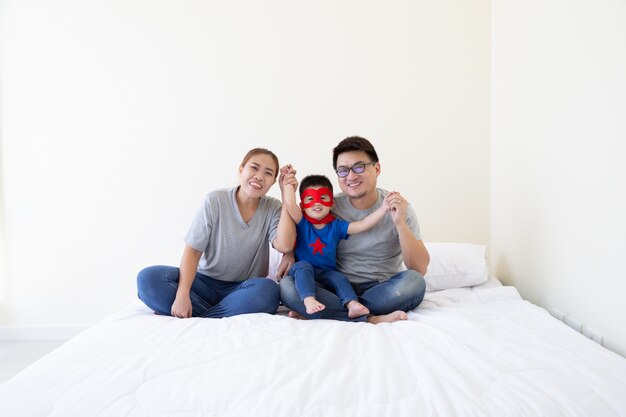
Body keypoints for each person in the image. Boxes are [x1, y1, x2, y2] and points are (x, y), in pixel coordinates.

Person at [279, 136, 429, 323]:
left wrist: (400, 223)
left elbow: (419, 268)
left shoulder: (397, 207)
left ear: (377, 168)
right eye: (343, 171)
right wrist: (290, 254)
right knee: (287, 286)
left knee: (414, 282)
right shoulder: (330, 206)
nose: (351, 176)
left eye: (359, 167)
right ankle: (369, 317)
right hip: (333, 287)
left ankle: (335, 312)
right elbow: (302, 226)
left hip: (380, 288)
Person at [137, 148, 296, 318]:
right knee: (148, 278)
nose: (259, 176)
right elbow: (193, 251)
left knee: (268, 290)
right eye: (254, 168)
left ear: (273, 182)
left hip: (243, 288)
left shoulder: (273, 208)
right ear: (241, 170)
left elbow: (285, 244)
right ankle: (218, 312)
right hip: (202, 283)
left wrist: (287, 196)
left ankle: (204, 315)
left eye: (268, 173)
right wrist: (182, 295)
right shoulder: (214, 200)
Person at [281, 171, 396, 318]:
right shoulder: (302, 222)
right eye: (310, 199)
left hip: (326, 276)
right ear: (302, 205)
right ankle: (308, 299)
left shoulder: (336, 227)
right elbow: (289, 204)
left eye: (323, 198)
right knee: (303, 266)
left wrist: (383, 208)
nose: (317, 202)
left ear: (331, 203)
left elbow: (362, 225)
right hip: (302, 274)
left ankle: (352, 303)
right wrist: (288, 183)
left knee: (339, 277)